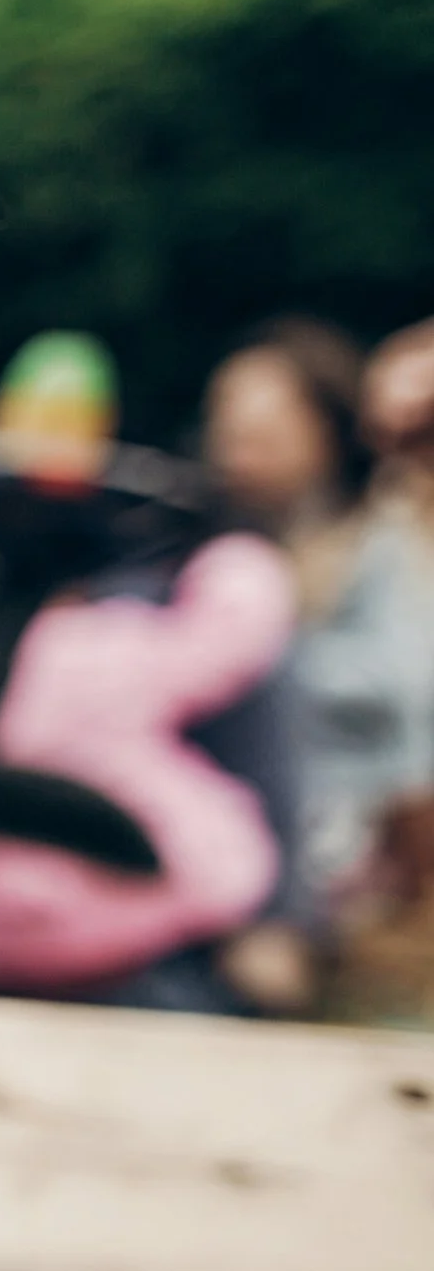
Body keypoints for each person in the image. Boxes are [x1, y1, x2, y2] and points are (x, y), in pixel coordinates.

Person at [203, 320, 434, 915]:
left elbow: (404, 703)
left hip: (345, 851)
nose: (237, 452)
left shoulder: (377, 544)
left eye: (263, 435)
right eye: (230, 432)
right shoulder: (216, 550)